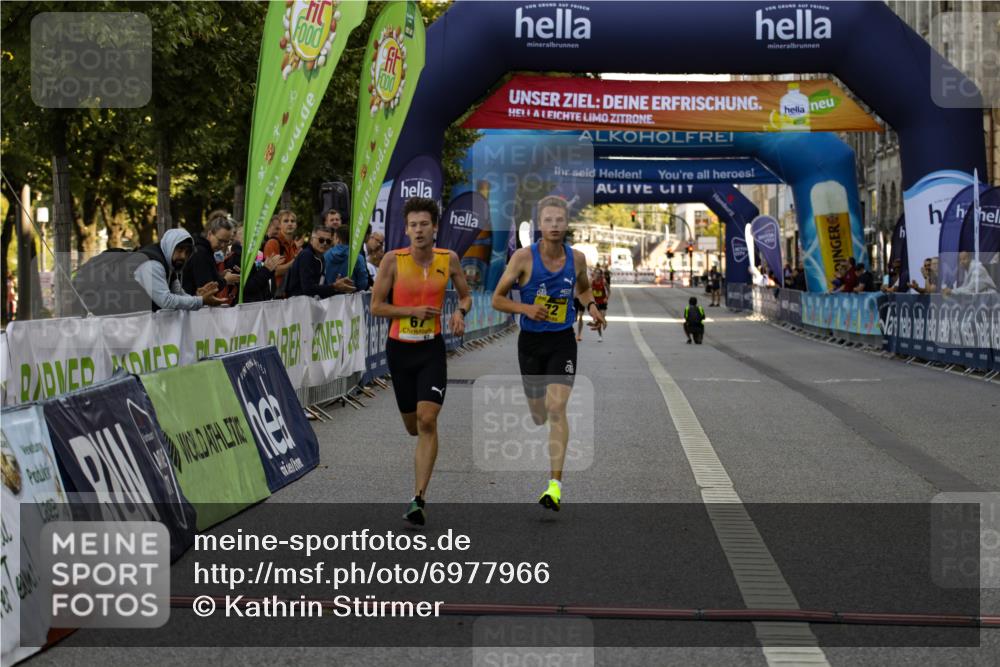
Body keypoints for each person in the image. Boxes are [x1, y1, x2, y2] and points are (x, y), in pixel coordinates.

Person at [491, 195, 607, 512]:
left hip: (562, 341)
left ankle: (554, 485)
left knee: (557, 408)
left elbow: (582, 289)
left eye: (559, 220)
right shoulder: (523, 260)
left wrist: (593, 307)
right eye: (548, 220)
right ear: (540, 225)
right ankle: (539, 414)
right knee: (539, 414)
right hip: (530, 342)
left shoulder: (577, 258)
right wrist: (527, 308)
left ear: (566, 223)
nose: (554, 226)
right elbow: (497, 299)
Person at [370, 197, 472, 525]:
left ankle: (418, 498)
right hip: (400, 350)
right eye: (413, 225)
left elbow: (466, 294)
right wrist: (410, 311)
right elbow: (376, 307)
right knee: (413, 426)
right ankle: (419, 481)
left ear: (434, 227)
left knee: (428, 419)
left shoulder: (449, 259)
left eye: (424, 224)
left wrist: (459, 311)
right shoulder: (392, 261)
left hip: (431, 350)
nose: (418, 230)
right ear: (406, 229)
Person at [134, 228, 227, 311]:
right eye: (180, 250)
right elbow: (166, 301)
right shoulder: (153, 264)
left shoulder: (170, 266)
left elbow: (179, 294)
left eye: (187, 252)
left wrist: (199, 297)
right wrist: (200, 300)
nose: (183, 256)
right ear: (170, 246)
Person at [285, 226, 355, 298]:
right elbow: (308, 288)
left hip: (308, 304)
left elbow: (321, 288)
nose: (325, 243)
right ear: (311, 240)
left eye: (328, 241)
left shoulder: (321, 258)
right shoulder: (306, 255)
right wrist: (334, 287)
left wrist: (338, 288)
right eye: (321, 240)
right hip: (298, 304)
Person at [182, 212, 239, 296]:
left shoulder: (205, 250)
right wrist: (226, 280)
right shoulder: (201, 253)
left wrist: (218, 275)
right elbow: (206, 288)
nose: (223, 245)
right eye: (220, 241)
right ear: (210, 234)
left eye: (226, 242)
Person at [224, 225, 283, 303]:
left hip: (260, 305)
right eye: (247, 233)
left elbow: (264, 281)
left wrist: (270, 269)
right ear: (236, 238)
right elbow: (247, 287)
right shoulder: (235, 258)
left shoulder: (257, 255)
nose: (254, 237)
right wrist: (266, 270)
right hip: (245, 308)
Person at [263, 209, 300, 294]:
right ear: (280, 225)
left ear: (296, 225)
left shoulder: (294, 245)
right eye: (286, 221)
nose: (290, 223)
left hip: (291, 293)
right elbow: (273, 271)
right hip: (276, 295)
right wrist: (296, 261)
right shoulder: (272, 243)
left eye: (292, 221)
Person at [324, 225, 369, 291]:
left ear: (337, 238)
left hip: (329, 297)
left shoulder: (325, 255)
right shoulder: (358, 257)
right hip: (352, 298)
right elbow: (363, 284)